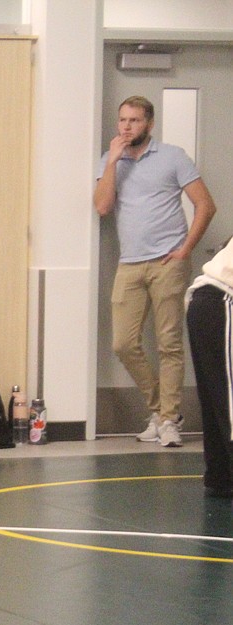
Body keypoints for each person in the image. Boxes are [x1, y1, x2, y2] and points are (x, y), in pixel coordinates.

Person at [94, 95, 216, 447]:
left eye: (134, 121)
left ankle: (167, 422)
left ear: (149, 124)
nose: (126, 126)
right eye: (122, 120)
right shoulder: (110, 159)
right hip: (129, 264)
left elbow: (205, 205)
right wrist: (114, 161)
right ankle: (163, 410)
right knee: (123, 343)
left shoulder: (172, 156)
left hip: (168, 263)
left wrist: (185, 250)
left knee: (169, 344)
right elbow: (102, 206)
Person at [187, 237, 233, 499]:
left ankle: (221, 476)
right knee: (228, 401)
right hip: (221, 300)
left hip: (206, 302)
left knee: (218, 398)